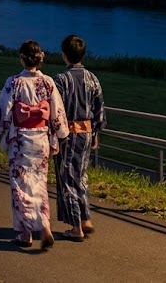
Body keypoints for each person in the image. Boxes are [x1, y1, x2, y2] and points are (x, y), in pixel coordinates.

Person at [0, 40, 68, 249]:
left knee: (20, 186)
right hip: (41, 139)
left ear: (22, 59)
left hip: (20, 140)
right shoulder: (48, 82)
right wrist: (60, 132)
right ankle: (43, 226)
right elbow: (57, 111)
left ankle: (26, 233)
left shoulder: (14, 82)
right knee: (39, 183)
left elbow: (4, 109)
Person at [53, 34, 106, 242]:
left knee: (67, 177)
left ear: (64, 55)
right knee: (81, 176)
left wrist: (53, 135)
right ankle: (86, 218)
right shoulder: (93, 78)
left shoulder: (61, 80)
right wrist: (95, 132)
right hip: (86, 133)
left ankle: (76, 227)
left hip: (68, 134)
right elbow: (99, 109)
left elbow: (55, 111)